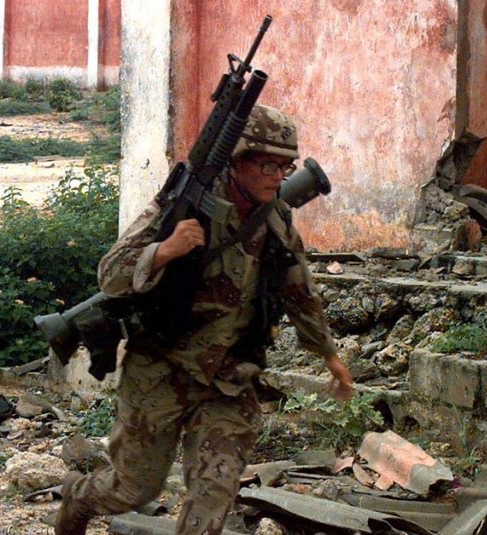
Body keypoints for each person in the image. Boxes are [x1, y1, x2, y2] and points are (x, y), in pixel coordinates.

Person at [55, 105, 355, 535]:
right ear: (237, 162)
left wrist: (328, 353)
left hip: (228, 378)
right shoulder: (185, 206)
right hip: (160, 369)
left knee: (213, 492)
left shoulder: (275, 216)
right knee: (133, 490)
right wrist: (164, 250)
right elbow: (111, 273)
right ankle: (78, 497)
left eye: (284, 166)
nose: (278, 175)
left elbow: (297, 287)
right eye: (267, 164)